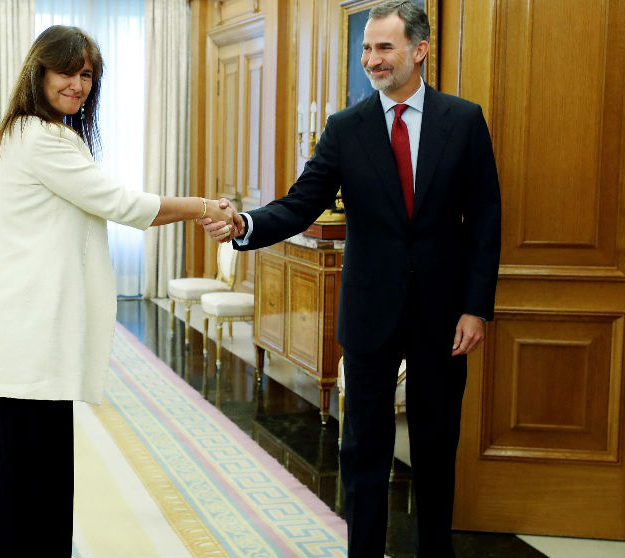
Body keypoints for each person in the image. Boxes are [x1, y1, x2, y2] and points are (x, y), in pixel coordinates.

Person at [203, 1, 500, 556]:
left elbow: (485, 220)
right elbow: (299, 204)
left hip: (444, 316)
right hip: (369, 313)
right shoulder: (346, 129)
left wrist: (476, 306)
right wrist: (245, 224)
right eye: (366, 48)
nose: (371, 59)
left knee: (436, 451)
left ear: (420, 50)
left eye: (383, 47)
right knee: (363, 452)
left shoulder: (464, 121)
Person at [0, 25, 235, 557]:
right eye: (67, 71)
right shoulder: (39, 137)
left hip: (32, 327)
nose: (78, 84)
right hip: (27, 330)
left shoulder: (36, 133)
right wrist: (203, 206)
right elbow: (123, 205)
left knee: (35, 481)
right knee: (32, 484)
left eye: (87, 75)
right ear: (38, 72)